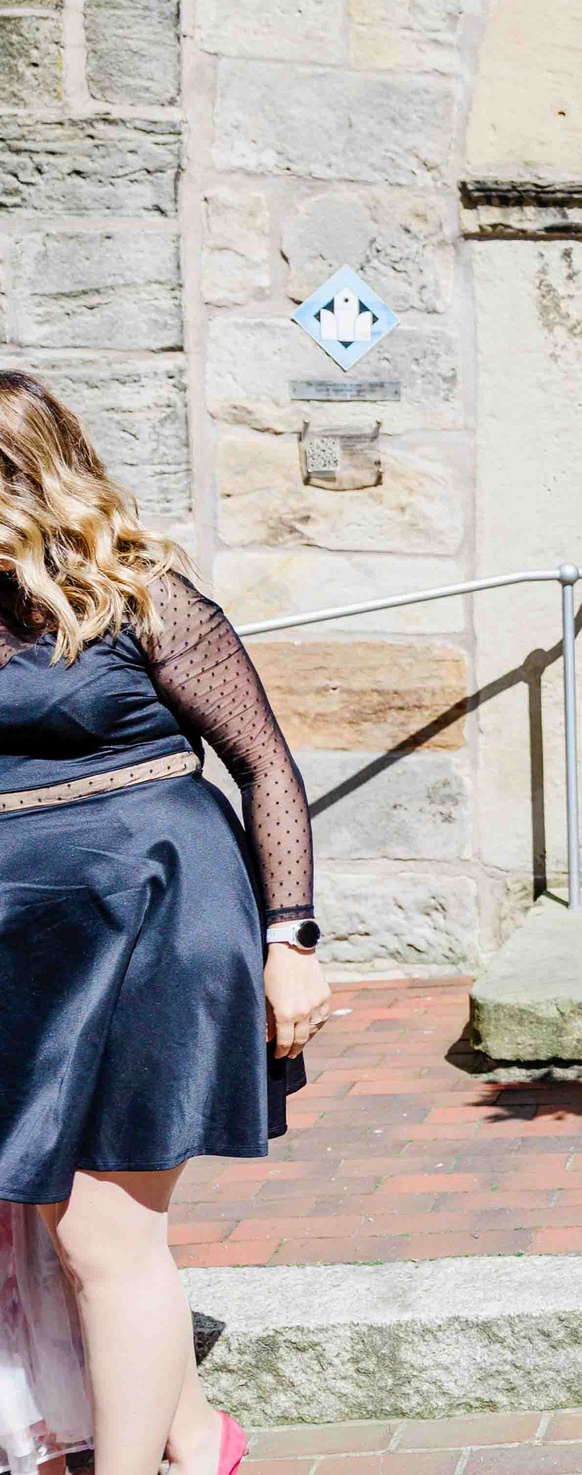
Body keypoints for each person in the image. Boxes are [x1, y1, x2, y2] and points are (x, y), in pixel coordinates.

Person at [0, 371, 330, 1475]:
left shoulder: (142, 597)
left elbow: (263, 765)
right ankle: (196, 1435)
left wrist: (291, 942)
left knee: (102, 1232)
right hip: (29, 941)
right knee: (66, 1220)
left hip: (156, 915)